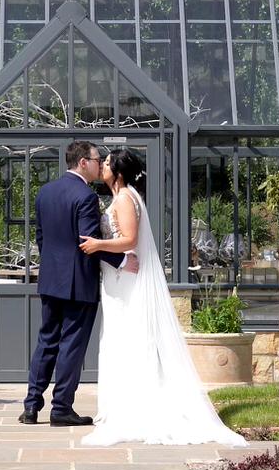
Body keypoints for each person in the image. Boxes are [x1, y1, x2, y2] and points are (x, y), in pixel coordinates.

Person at [76, 148, 246, 446]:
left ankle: (134, 409)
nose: (102, 166)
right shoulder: (121, 197)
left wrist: (98, 244)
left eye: (107, 163)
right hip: (117, 279)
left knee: (126, 339)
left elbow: (129, 239)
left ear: (119, 172)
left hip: (126, 279)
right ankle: (124, 406)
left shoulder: (125, 198)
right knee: (119, 339)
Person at [22, 140, 134, 426]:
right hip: (78, 283)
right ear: (83, 162)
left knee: (46, 341)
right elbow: (88, 242)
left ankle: (31, 406)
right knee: (71, 344)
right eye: (97, 159)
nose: (100, 164)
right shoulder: (85, 196)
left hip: (50, 279)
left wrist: (54, 266)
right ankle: (61, 408)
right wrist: (122, 261)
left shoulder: (45, 192)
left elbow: (41, 238)